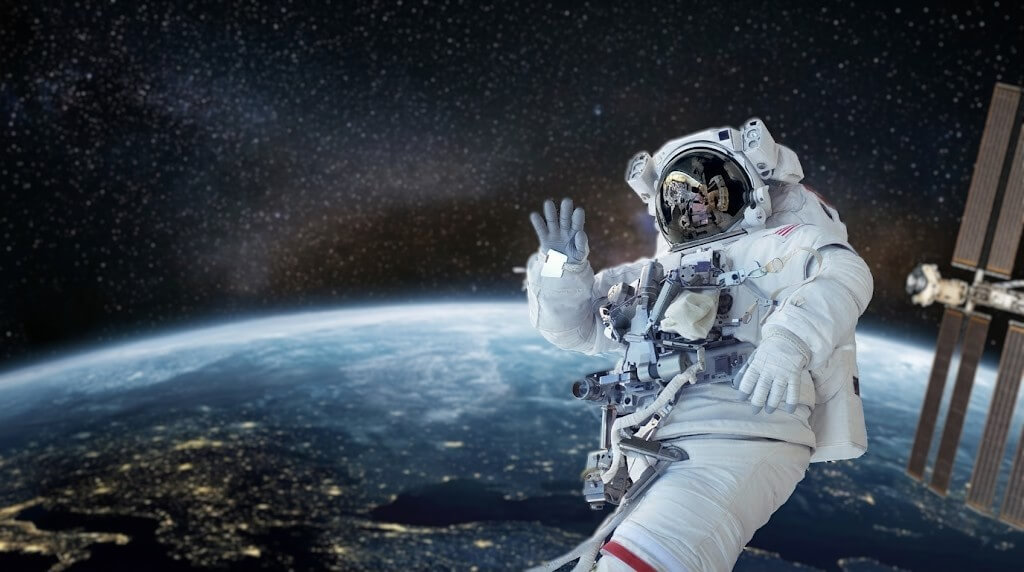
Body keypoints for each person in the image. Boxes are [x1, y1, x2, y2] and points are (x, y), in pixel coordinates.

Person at [524, 120, 874, 571]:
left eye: (710, 191)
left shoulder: (775, 246)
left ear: (745, 193)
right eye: (678, 197)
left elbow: (843, 274)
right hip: (656, 448)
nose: (694, 207)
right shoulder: (653, 272)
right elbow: (578, 328)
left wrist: (788, 342)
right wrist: (560, 267)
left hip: (741, 432)